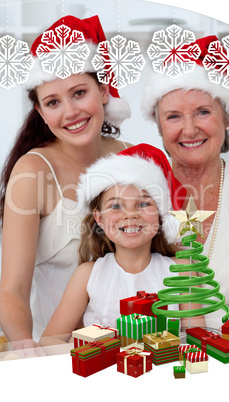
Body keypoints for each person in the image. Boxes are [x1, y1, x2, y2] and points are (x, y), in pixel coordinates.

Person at [0, 15, 132, 352]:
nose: (70, 112)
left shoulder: (131, 160)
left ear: (103, 91)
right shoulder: (32, 173)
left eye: (79, 93)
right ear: (41, 112)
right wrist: (29, 353)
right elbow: (11, 290)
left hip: (130, 345)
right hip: (57, 352)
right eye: (54, 102)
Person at [141, 35, 229, 331]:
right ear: (159, 126)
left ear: (225, 117)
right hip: (159, 355)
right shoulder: (137, 195)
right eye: (173, 116)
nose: (189, 128)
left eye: (203, 112)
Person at [39, 145, 207, 348]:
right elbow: (49, 341)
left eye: (144, 204)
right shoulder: (87, 275)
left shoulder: (182, 273)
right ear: (99, 219)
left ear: (161, 215)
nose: (131, 214)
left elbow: (197, 342)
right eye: (116, 206)